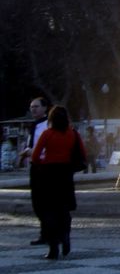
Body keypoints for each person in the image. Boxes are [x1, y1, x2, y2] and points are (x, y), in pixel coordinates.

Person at [31, 105, 86, 260]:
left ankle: (53, 247)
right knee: (64, 210)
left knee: (49, 211)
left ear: (51, 119)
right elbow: (82, 152)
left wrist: (43, 163)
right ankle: (66, 236)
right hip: (66, 174)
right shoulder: (73, 134)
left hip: (48, 175)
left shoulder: (47, 134)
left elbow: (35, 156)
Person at [19, 96, 51, 246]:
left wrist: (33, 151)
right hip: (35, 165)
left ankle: (47, 233)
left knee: (43, 202)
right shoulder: (34, 125)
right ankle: (45, 231)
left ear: (45, 108)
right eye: (32, 107)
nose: (33, 109)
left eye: (36, 106)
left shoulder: (47, 125)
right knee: (37, 202)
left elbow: (48, 145)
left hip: (44, 165)